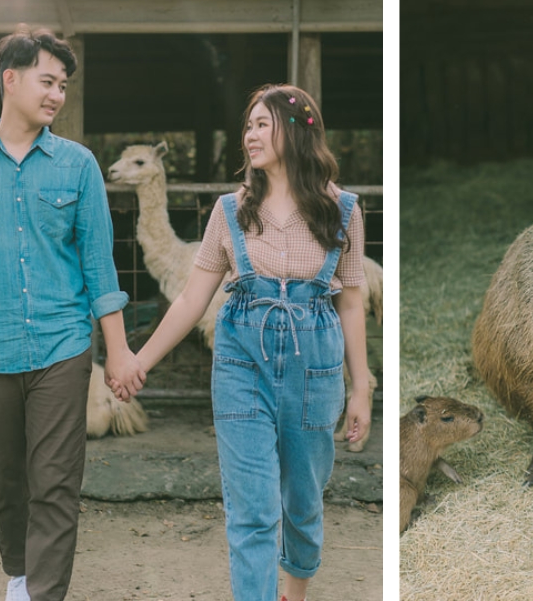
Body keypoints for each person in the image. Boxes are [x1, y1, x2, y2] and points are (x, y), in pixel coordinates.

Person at [112, 84, 372, 601]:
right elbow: (190, 299)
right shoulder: (230, 212)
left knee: (303, 503)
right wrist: (140, 361)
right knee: (252, 508)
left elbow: (350, 300)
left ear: (297, 130)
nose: (249, 135)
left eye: (261, 124)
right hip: (240, 361)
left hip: (314, 364)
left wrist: (361, 383)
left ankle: (292, 594)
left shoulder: (342, 211)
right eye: (247, 126)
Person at [0, 25, 146, 601]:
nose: (56, 95)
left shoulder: (78, 166)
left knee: (55, 482)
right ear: (11, 80)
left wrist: (118, 351)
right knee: (4, 483)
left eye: (63, 86)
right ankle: (22, 576)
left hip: (63, 347)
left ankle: (40, 593)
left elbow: (101, 269)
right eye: (47, 82)